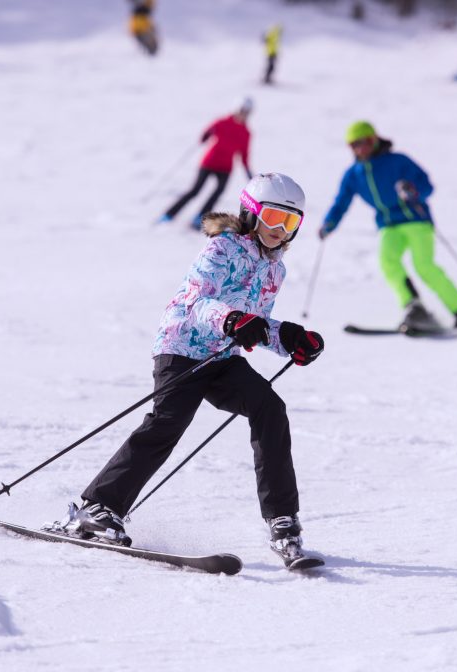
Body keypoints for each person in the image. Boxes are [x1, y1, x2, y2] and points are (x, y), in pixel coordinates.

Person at [67, 173, 324, 563]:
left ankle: (283, 520)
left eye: (289, 222)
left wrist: (288, 338)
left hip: (221, 359)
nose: (279, 230)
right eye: (272, 217)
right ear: (251, 213)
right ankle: (97, 508)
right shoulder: (222, 249)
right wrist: (231, 319)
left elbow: (253, 325)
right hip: (182, 347)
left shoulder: (275, 270)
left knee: (270, 409)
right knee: (168, 423)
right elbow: (194, 301)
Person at [320, 121, 457, 331]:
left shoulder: (398, 161)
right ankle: (413, 305)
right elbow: (341, 201)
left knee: (423, 265)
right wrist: (329, 224)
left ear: (374, 140)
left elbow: (426, 184)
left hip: (415, 220)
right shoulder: (354, 174)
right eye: (353, 145)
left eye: (364, 142)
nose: (359, 148)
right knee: (388, 262)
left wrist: (413, 190)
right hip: (388, 225)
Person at [160, 99, 254, 230]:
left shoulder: (246, 133)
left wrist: (248, 171)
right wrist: (205, 135)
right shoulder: (222, 122)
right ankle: (168, 214)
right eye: (241, 111)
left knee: (218, 191)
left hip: (225, 167)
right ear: (236, 109)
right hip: (210, 162)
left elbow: (244, 154)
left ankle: (199, 218)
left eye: (246, 112)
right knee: (195, 190)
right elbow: (208, 131)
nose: (243, 114)